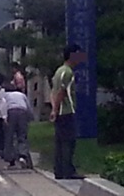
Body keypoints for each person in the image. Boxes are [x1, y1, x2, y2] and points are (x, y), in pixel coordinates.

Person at [50, 44, 85, 180]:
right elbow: (61, 92)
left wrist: (53, 109)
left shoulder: (58, 71)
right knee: (68, 142)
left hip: (59, 111)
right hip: (66, 110)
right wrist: (55, 109)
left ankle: (58, 170)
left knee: (59, 142)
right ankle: (68, 170)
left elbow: (53, 92)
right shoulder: (68, 72)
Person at [1, 84, 34, 169]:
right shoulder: (21, 95)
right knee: (22, 135)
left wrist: (4, 117)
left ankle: (10, 160)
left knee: (10, 137)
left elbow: (3, 106)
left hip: (11, 112)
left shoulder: (6, 95)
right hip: (22, 112)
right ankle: (22, 156)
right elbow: (28, 106)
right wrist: (30, 117)